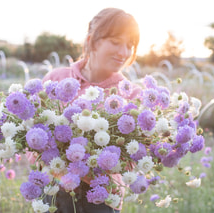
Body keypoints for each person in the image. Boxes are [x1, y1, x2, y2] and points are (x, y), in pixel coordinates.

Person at [40, 7, 141, 213]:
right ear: (92, 40)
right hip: (52, 193)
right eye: (115, 42)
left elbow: (132, 157)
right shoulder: (56, 79)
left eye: (129, 45)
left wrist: (91, 165)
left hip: (100, 200)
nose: (123, 52)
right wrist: (51, 159)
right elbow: (31, 134)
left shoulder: (131, 95)